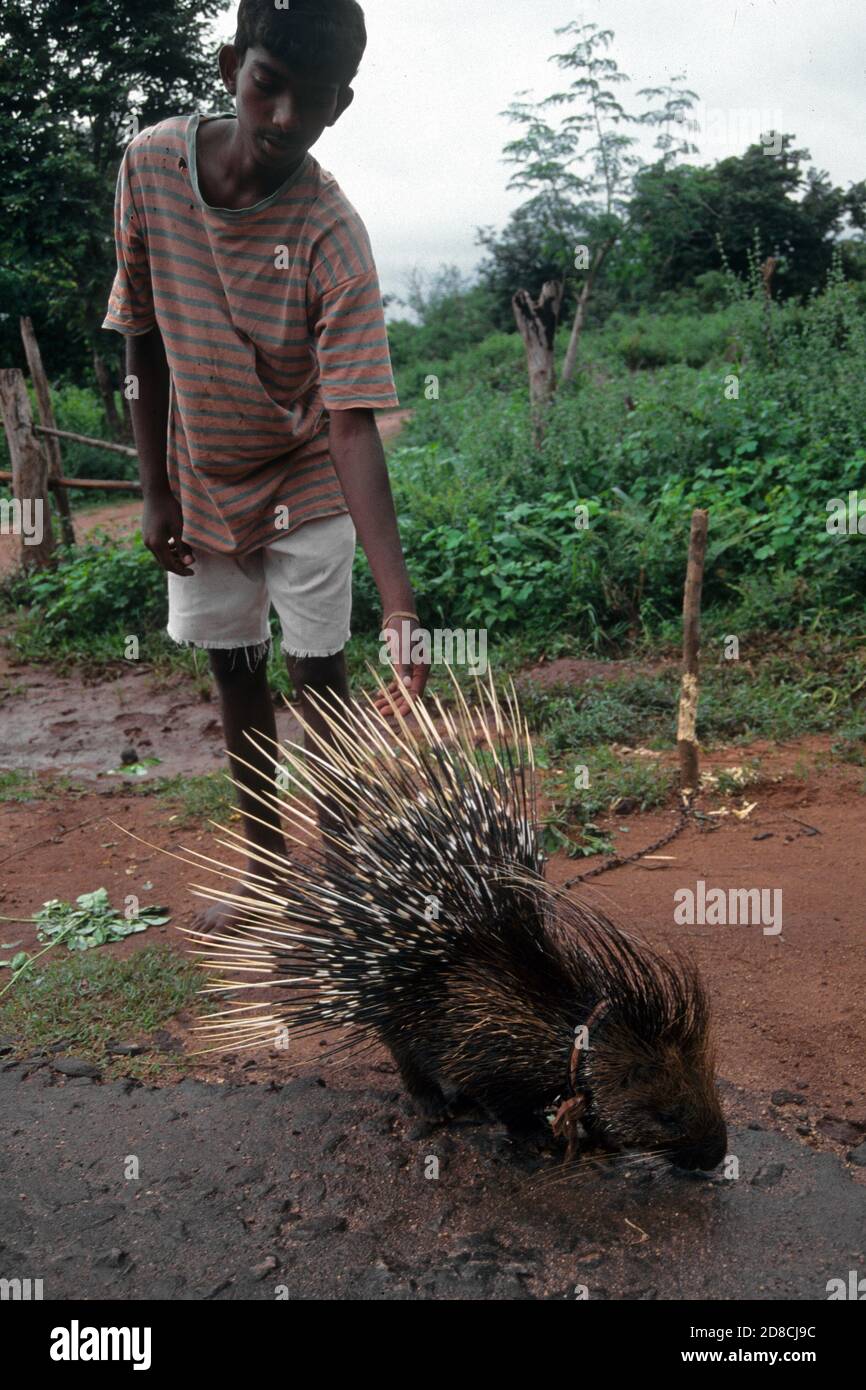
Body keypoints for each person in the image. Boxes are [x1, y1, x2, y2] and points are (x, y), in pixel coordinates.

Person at [102, 0, 429, 930]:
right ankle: (269, 866)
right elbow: (142, 334)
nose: (285, 117)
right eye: (267, 85)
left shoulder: (333, 231)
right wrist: (155, 488)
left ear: (343, 104)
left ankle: (347, 879)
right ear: (229, 62)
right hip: (200, 471)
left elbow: (353, 424)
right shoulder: (150, 167)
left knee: (317, 674)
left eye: (313, 101)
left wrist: (399, 605)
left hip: (304, 477)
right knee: (236, 669)